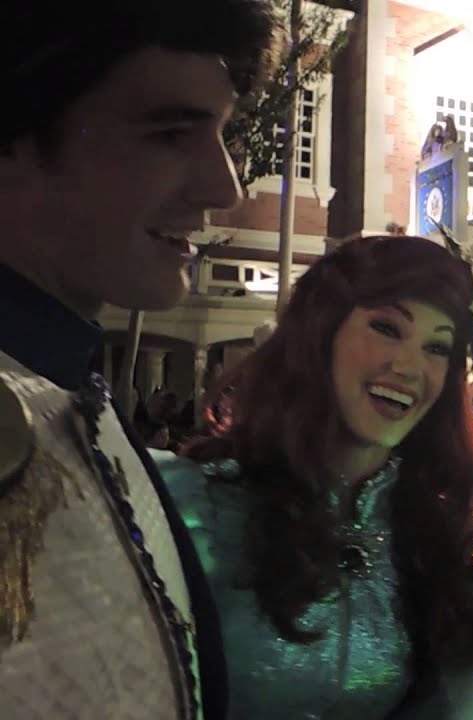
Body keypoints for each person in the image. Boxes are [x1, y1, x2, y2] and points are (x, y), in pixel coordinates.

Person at [0, 4, 276, 718]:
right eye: (169, 133)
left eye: (222, 136)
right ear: (16, 135)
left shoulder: (76, 397)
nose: (225, 188)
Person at [157, 236, 473, 717]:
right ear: (319, 333)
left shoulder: (450, 546)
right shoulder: (182, 508)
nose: (408, 367)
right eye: (387, 328)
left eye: (437, 347)